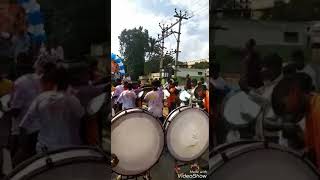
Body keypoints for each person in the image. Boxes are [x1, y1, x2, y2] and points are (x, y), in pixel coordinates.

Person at [19, 66, 84, 155]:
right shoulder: (73, 100)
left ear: (51, 83)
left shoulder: (40, 98)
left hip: (45, 149)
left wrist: (23, 149)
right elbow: (82, 117)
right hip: (70, 150)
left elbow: (24, 125)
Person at [9, 55, 56, 157]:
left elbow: (15, 111)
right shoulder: (53, 83)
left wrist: (6, 108)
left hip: (25, 133)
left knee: (20, 167)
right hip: (46, 131)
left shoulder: (20, 82)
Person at [272, 74, 320, 168]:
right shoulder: (309, 113)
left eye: (284, 107)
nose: (287, 116)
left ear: (294, 92)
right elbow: (313, 152)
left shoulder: (318, 109)